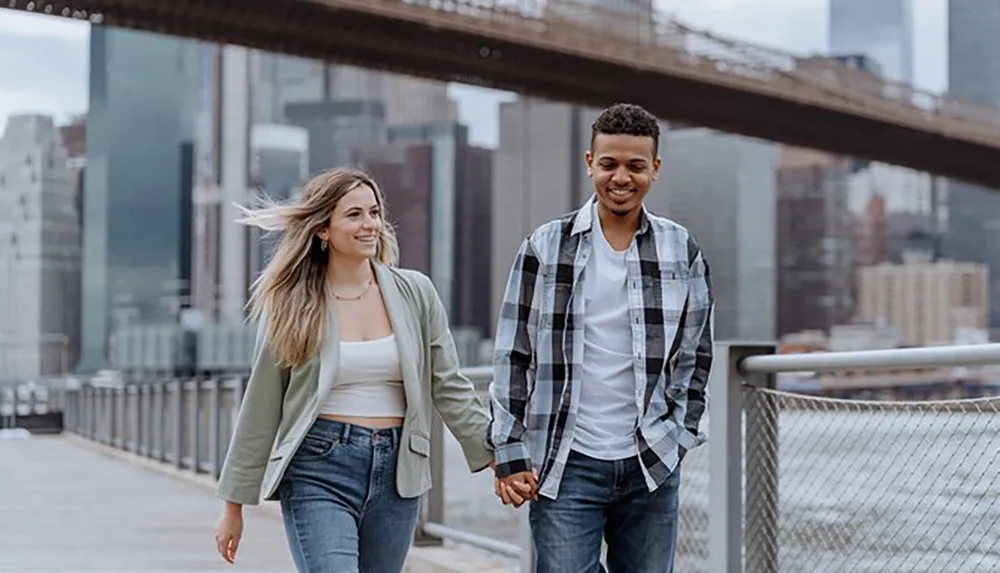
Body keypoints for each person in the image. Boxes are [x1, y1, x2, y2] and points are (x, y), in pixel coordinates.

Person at [212, 168, 497, 573]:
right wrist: (233, 505)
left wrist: (495, 456)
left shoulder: (415, 291)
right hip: (319, 465)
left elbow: (447, 384)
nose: (370, 225)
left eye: (375, 212)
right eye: (354, 215)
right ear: (323, 229)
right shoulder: (293, 303)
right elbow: (261, 407)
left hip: (399, 468)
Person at [489, 103, 715, 572]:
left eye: (636, 166)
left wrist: (679, 436)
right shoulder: (545, 246)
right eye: (609, 163)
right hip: (566, 462)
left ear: (655, 169)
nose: (621, 177)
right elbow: (513, 354)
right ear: (589, 163)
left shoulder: (681, 249)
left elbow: (696, 357)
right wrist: (509, 451)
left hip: (651, 460)